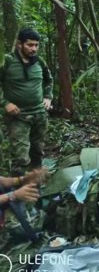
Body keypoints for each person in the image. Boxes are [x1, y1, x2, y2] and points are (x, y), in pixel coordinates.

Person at [0, 28, 53, 176]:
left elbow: (49, 80)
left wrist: (48, 97)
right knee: (21, 158)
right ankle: (19, 192)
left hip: (39, 114)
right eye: (30, 45)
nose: (34, 48)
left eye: (36, 45)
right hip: (18, 116)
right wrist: (5, 103)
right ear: (19, 44)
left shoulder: (39, 62)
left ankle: (34, 187)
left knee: (37, 152)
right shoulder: (7, 61)